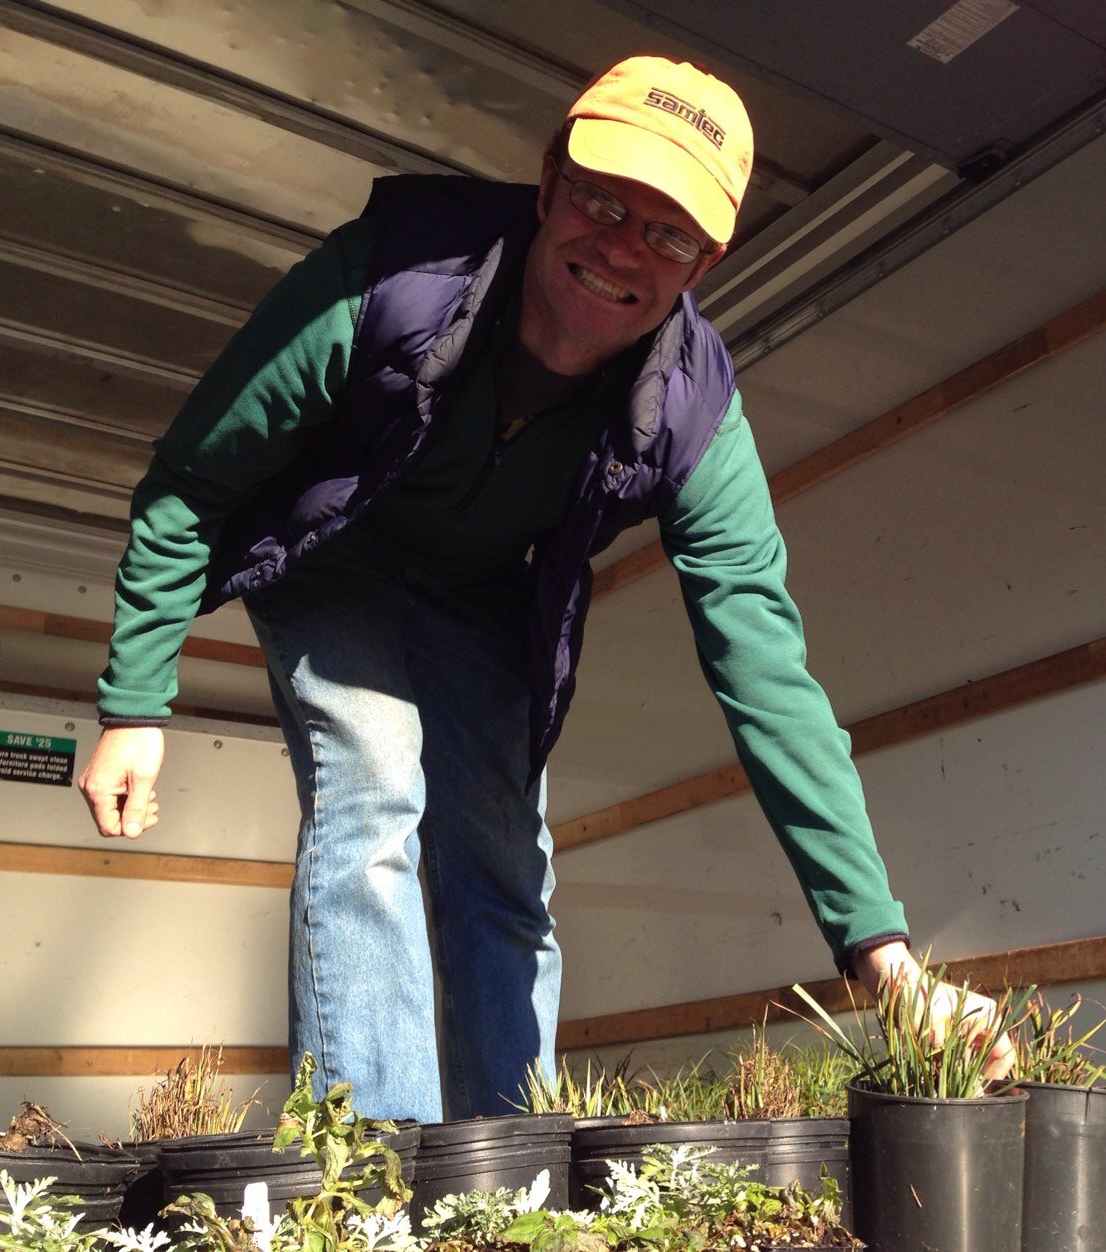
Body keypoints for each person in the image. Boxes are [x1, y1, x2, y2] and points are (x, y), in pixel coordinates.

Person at [79, 56, 1012, 1122]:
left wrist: (878, 954)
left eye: (666, 233)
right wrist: (135, 701)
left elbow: (767, 673)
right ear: (546, 181)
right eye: (602, 201)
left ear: (707, 261)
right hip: (334, 556)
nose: (619, 247)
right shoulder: (385, 280)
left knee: (507, 871)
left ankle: (506, 1168)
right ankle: (371, 1172)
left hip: (477, 594)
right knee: (375, 784)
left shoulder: (696, 419)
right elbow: (191, 477)